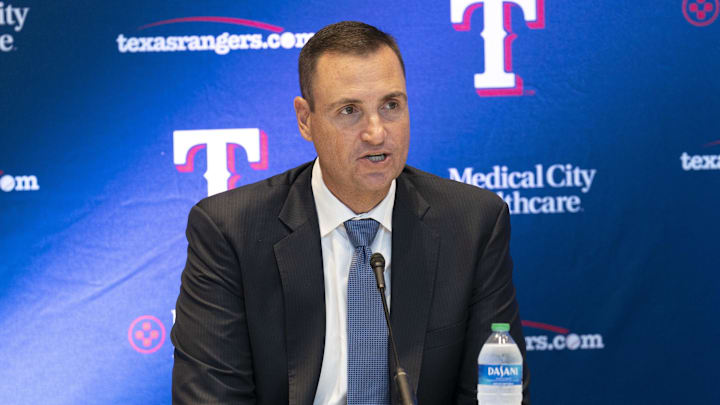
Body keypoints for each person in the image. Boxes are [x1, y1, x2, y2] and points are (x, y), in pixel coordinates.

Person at [171, 21, 529, 405]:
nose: (376, 132)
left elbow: (496, 393)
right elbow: (210, 396)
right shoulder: (230, 231)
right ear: (305, 119)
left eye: (391, 105)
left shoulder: (472, 223)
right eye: (349, 111)